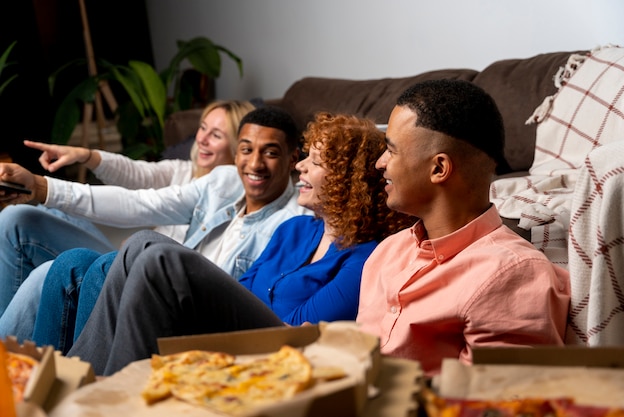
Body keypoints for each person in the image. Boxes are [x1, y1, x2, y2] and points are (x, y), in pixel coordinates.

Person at [61, 112, 415, 375]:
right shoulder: (293, 230)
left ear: (345, 181)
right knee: (137, 246)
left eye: (316, 161)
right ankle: (79, 382)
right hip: (234, 334)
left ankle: (111, 401)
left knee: (159, 259)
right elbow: (239, 289)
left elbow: (301, 331)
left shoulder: (366, 258)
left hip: (279, 349)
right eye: (304, 157)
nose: (301, 168)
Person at [0, 106, 307, 344]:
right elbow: (142, 202)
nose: (254, 164)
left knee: (53, 273)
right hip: (150, 271)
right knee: (24, 223)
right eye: (246, 149)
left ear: (294, 158)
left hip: (186, 308)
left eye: (270, 153)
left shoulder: (296, 223)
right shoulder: (223, 180)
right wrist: (41, 187)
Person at [354, 79, 571, 376]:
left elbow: (498, 402)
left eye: (391, 151)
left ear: (439, 169)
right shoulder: (387, 253)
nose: (380, 163)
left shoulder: (511, 273)